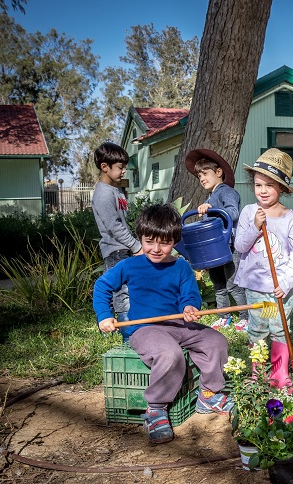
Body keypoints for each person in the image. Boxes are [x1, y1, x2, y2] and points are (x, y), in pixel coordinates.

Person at [93, 204, 233, 444]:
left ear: (175, 241)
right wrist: (104, 315)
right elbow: (102, 286)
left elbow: (190, 295)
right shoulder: (129, 265)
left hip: (178, 325)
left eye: (164, 243)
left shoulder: (181, 266)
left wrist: (189, 308)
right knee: (170, 354)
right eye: (149, 241)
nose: (156, 249)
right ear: (140, 238)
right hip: (145, 329)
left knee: (216, 341)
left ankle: (208, 394)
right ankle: (155, 408)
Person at [233, 148, 293, 387]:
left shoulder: (290, 218)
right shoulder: (249, 212)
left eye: (269, 186)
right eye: (258, 184)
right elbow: (240, 245)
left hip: (278, 290)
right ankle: (258, 370)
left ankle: (280, 372)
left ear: (282, 188)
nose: (262, 191)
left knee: (279, 328)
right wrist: (255, 226)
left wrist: (284, 284)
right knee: (258, 328)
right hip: (256, 287)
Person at [185, 148, 248, 331]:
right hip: (213, 249)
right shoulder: (211, 196)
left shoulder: (226, 192)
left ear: (218, 172)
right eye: (199, 176)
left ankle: (245, 317)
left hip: (228, 246)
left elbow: (233, 212)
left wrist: (211, 209)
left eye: (205, 173)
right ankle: (224, 317)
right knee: (218, 284)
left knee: (233, 284)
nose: (202, 178)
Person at [91, 142, 142, 323]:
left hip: (123, 248)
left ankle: (121, 326)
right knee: (121, 291)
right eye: (120, 167)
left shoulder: (115, 190)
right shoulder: (103, 193)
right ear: (105, 167)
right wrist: (136, 246)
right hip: (115, 250)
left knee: (122, 288)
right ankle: (127, 330)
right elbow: (114, 226)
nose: (123, 171)